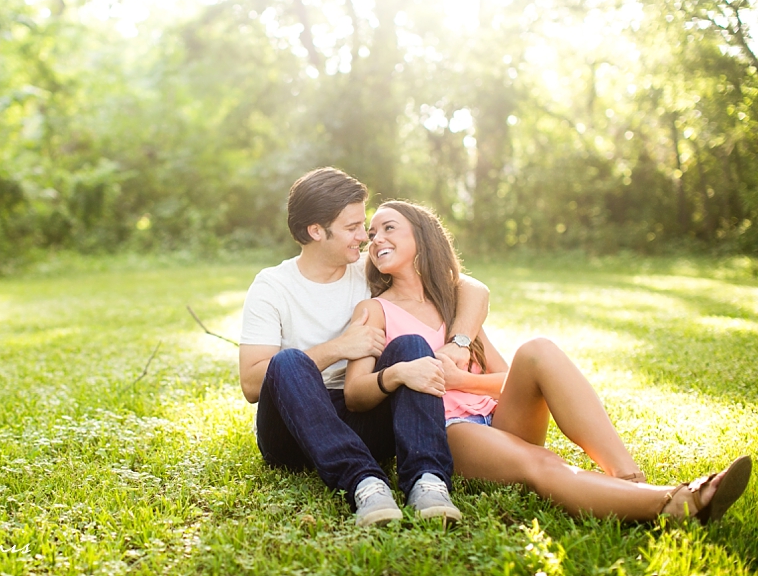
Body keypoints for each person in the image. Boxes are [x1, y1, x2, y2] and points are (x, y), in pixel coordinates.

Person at [343, 199, 752, 522]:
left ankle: (630, 479)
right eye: (371, 233)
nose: (375, 238)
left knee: (538, 349)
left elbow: (504, 379)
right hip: (450, 430)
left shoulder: (455, 306)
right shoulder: (375, 311)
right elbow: (355, 394)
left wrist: (460, 379)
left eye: (388, 227)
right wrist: (410, 376)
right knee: (542, 462)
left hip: (500, 415)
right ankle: (677, 503)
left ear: (423, 237)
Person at [239, 168, 491, 526]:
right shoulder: (273, 286)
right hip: (292, 425)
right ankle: (365, 483)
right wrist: (339, 347)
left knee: (411, 345)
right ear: (316, 231)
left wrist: (461, 342)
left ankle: (427, 481)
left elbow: (472, 288)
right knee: (289, 362)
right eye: (353, 227)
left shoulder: (367, 267)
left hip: (362, 410)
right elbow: (252, 383)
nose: (365, 237)